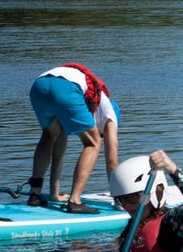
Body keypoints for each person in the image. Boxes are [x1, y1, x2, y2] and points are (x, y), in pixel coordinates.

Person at [27, 63, 121, 214]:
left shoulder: (88, 104)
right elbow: (112, 163)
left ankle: (35, 194)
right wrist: (119, 200)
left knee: (49, 135)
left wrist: (54, 195)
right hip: (67, 87)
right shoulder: (111, 117)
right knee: (93, 143)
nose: (104, 136)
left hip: (39, 84)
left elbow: (58, 155)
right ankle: (75, 201)